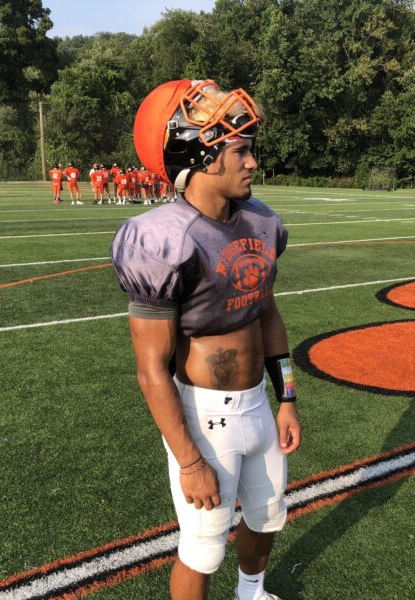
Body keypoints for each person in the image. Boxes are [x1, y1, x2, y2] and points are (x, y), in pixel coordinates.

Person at [110, 79, 301, 600]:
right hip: (204, 417)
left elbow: (269, 316)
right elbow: (151, 368)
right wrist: (189, 460)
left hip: (258, 407)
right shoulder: (162, 238)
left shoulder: (261, 221)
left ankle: (251, 592)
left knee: (267, 518)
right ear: (201, 155)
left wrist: (286, 399)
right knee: (203, 548)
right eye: (240, 151)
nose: (253, 162)